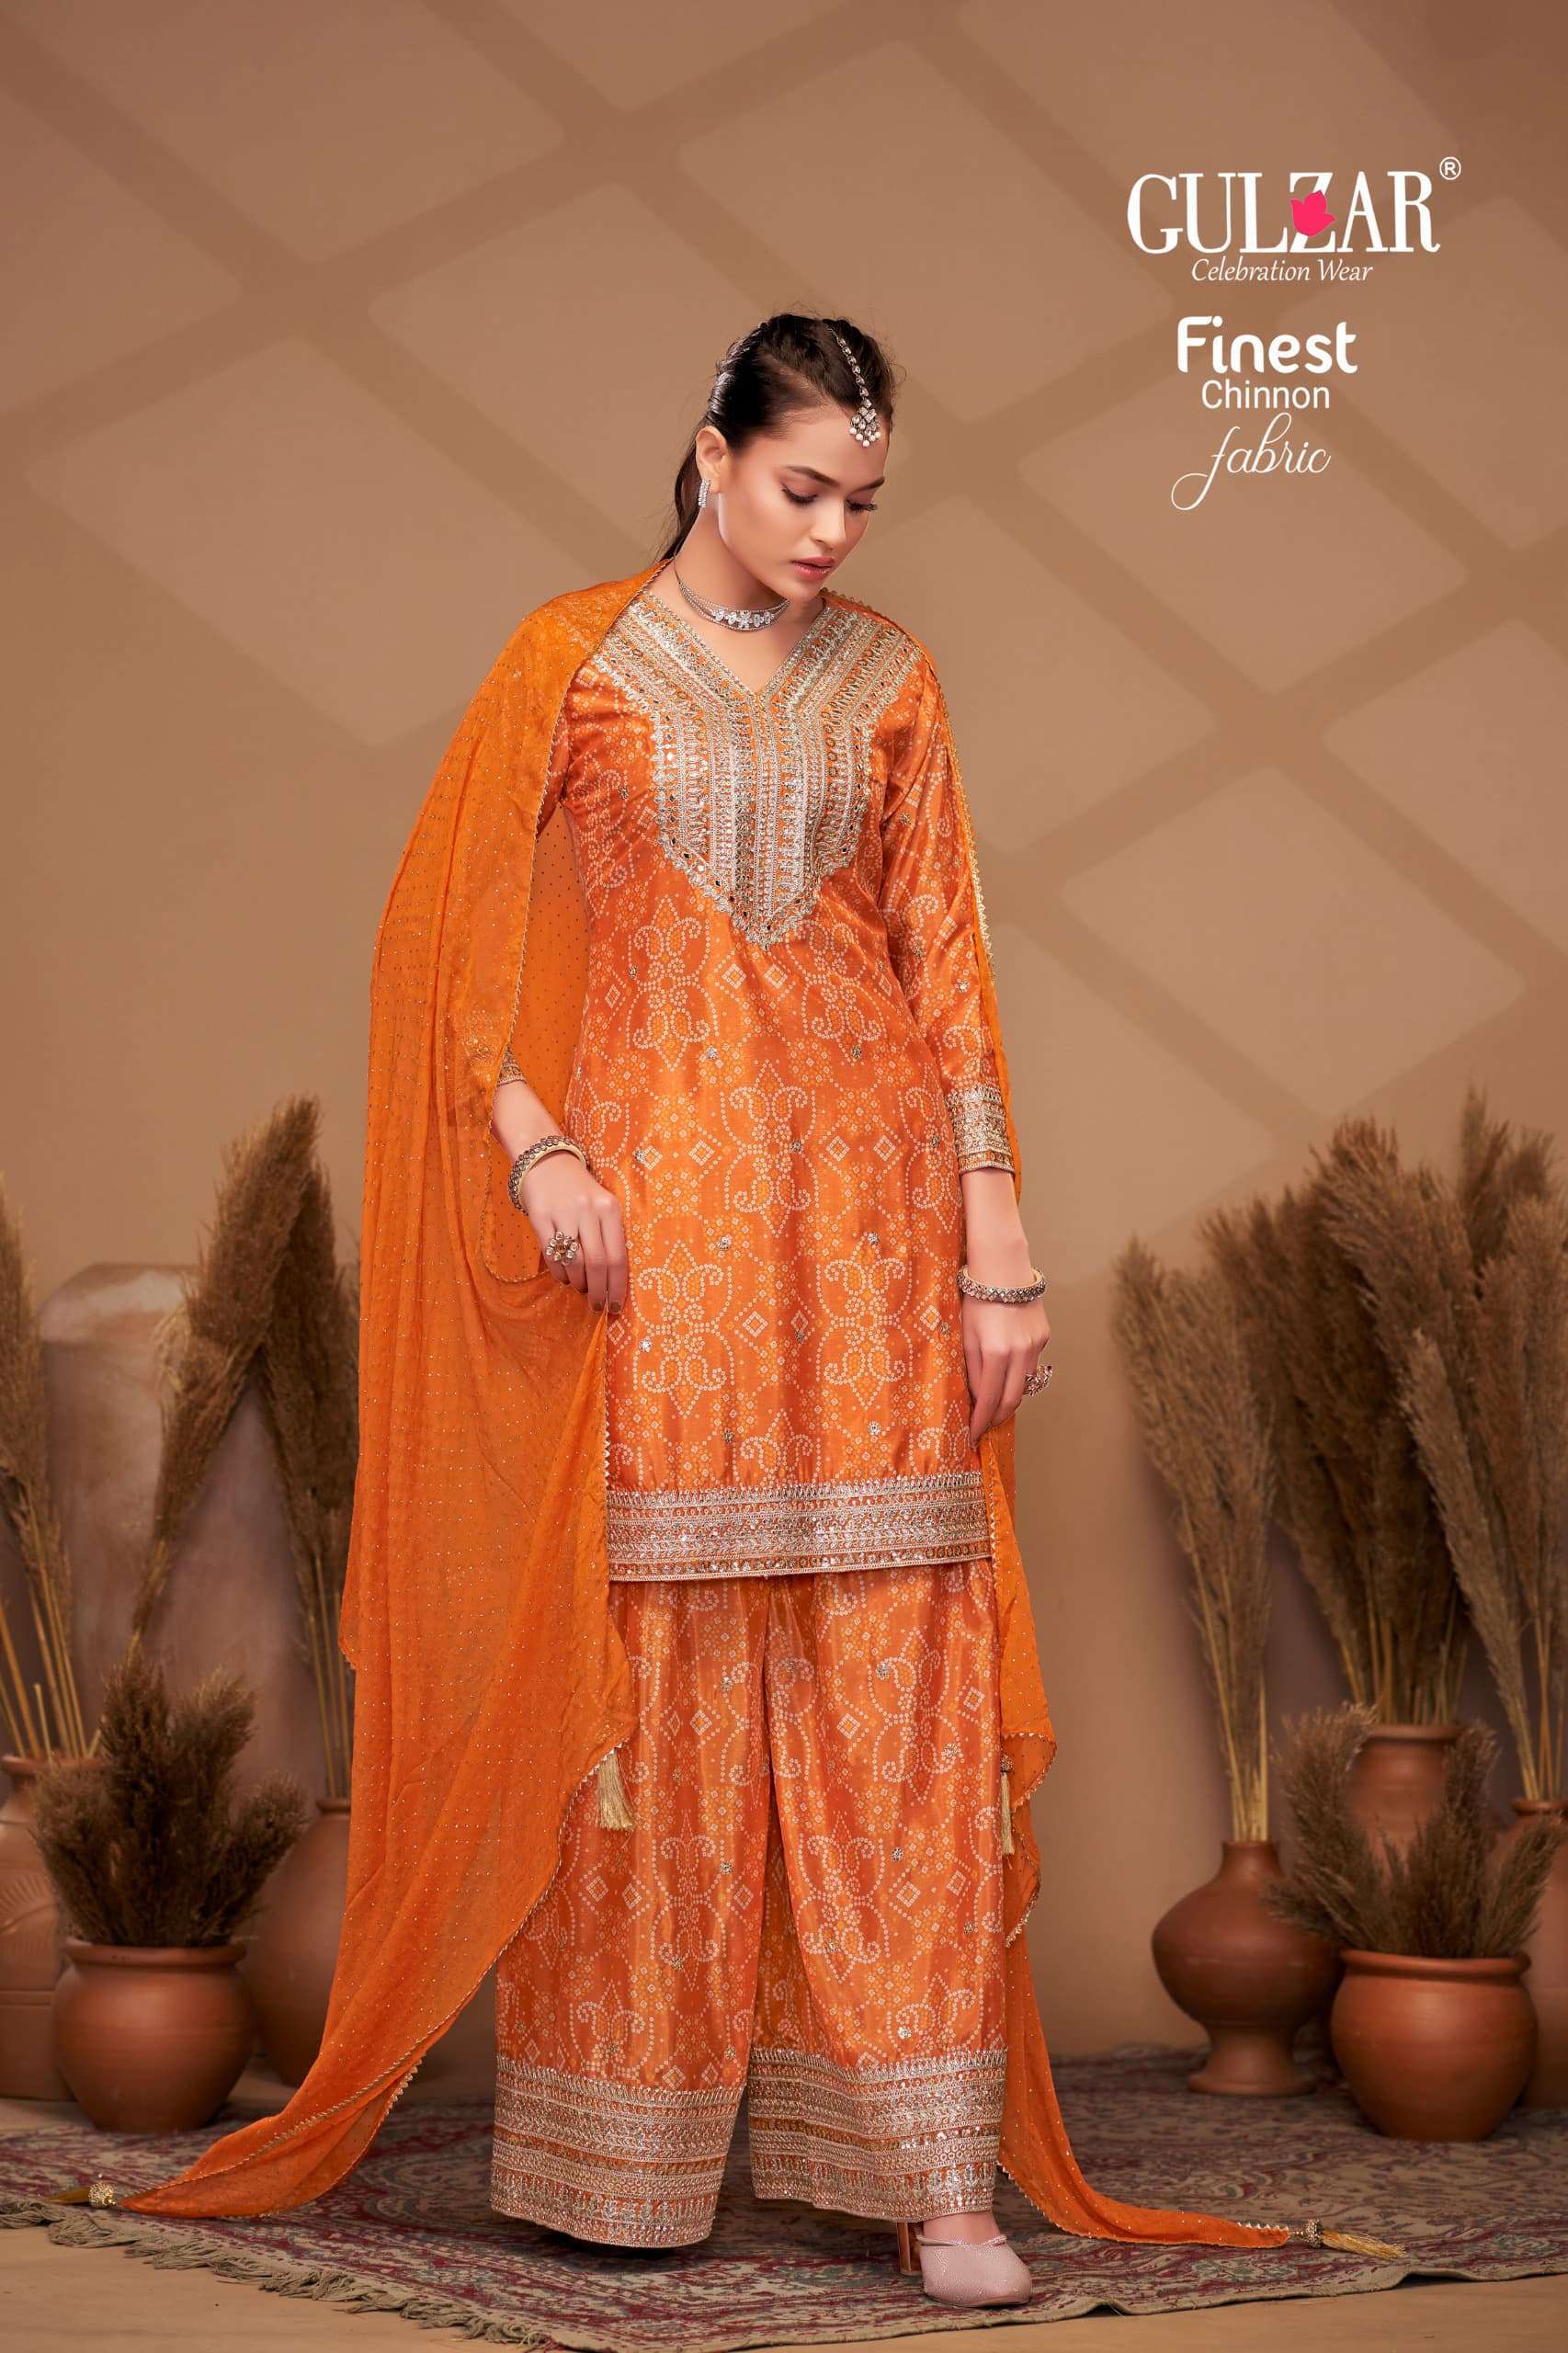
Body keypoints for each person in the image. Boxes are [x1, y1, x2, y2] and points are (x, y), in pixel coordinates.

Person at [112, 314, 1398, 2304]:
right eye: (803, 486)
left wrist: (993, 1248)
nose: (831, 532)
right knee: (655, 1679)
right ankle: (619, 2169)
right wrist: (538, 1148)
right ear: (709, 454)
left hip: (871, 1227)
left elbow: (946, 969)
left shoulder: (893, 677)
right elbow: (440, 959)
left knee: (896, 1679)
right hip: (656, 1237)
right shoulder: (568, 662)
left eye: (862, 501)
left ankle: (935, 2181)